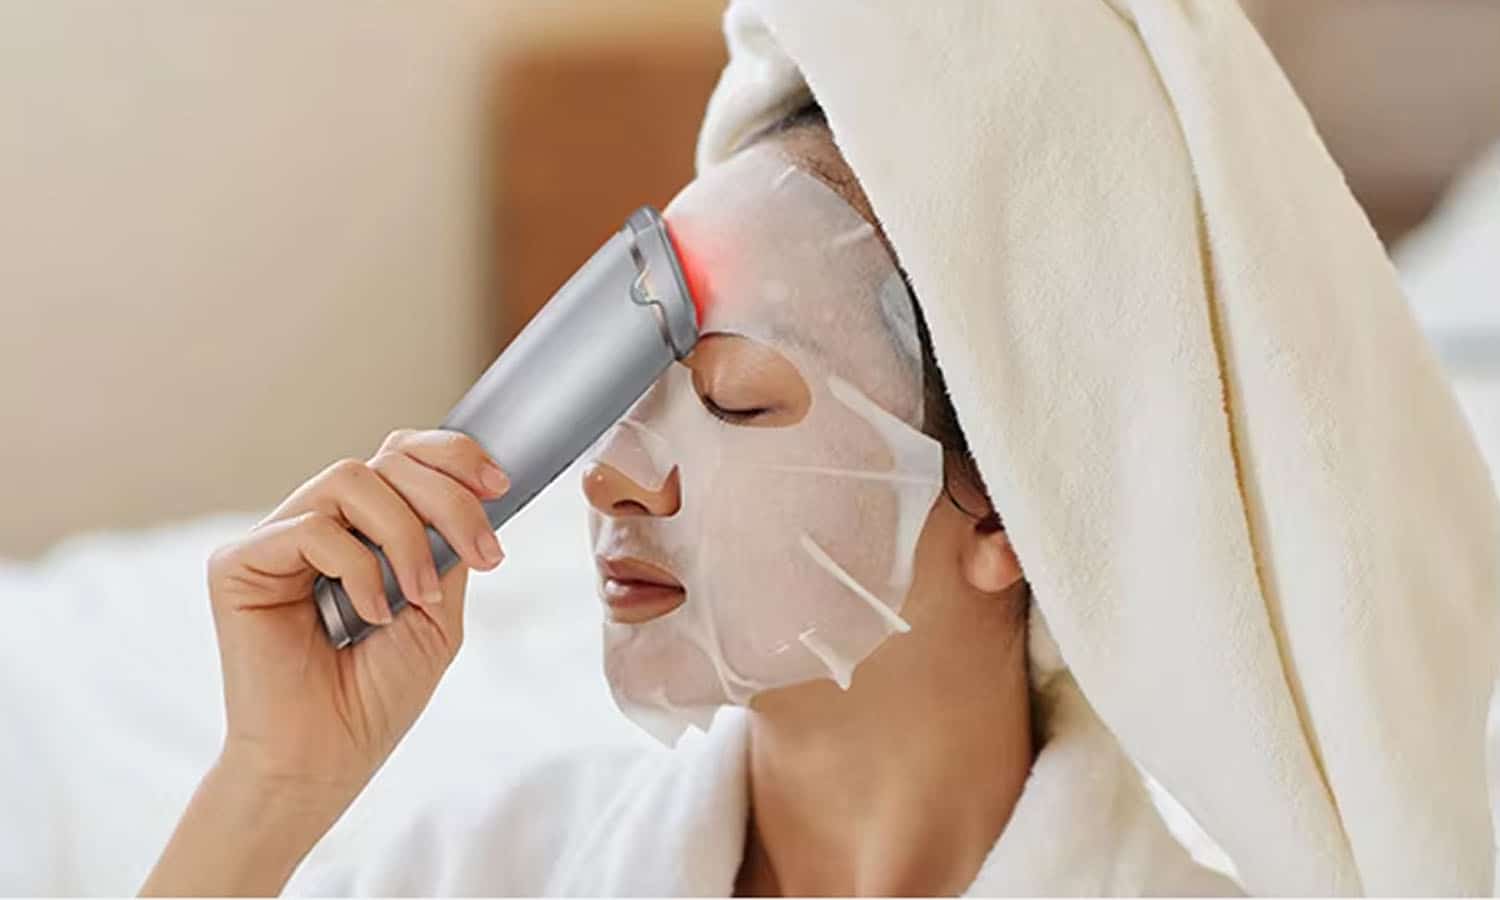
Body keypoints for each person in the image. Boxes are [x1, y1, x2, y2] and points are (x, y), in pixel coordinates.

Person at [141, 103, 1231, 897]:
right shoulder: (489, 871)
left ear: (1001, 507)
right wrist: (268, 787)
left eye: (731, 400)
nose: (609, 476)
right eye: (627, 392)